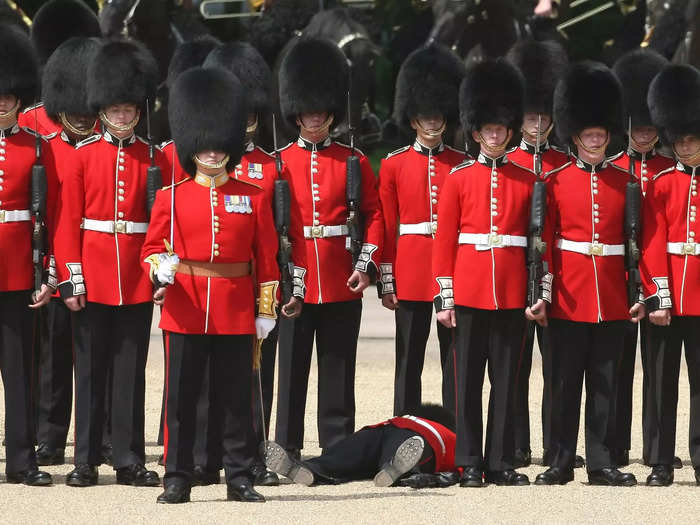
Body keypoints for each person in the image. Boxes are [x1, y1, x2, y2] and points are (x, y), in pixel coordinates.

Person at [142, 65, 279, 504]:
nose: (214, 154)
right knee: (180, 400)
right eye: (206, 147)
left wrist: (265, 309)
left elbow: (267, 258)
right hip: (185, 307)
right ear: (192, 147)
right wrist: (159, 268)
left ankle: (239, 476)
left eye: (221, 147)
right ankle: (177, 476)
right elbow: (151, 249)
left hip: (236, 308)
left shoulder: (253, 196)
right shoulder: (172, 195)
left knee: (237, 399)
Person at [54, 39, 162, 488]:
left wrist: (161, 272)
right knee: (90, 370)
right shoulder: (83, 157)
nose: (121, 116)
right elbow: (67, 226)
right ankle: (84, 461)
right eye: (114, 109)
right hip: (93, 277)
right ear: (102, 110)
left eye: (128, 109)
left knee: (130, 372)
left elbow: (161, 223)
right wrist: (72, 279)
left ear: (138, 110)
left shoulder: (152, 158)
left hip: (136, 278)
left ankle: (128, 459)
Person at [529, 61, 643, 486]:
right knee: (563, 383)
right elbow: (544, 244)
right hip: (569, 295)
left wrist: (641, 291)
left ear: (608, 135)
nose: (595, 140)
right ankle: (559, 460)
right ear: (575, 136)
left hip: (612, 294)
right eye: (588, 134)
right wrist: (543, 291)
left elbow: (638, 244)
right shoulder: (555, 181)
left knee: (605, 384)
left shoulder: (626, 181)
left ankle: (600, 461)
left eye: (600, 134)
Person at [201, 41, 308, 486]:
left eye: (248, 116)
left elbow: (282, 237)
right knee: (208, 377)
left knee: (256, 378)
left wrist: (281, 288)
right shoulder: (200, 167)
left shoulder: (272, 166)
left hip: (255, 287)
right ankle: (205, 459)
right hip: (214, 286)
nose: (243, 125)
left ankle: (251, 459)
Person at [274, 37, 384, 458]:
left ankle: (337, 449)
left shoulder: (352, 160)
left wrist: (366, 264)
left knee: (338, 370)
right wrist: (281, 277)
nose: (315, 118)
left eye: (321, 111)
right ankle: (286, 448)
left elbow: (374, 216)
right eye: (308, 111)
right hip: (296, 279)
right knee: (292, 372)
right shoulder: (279, 162)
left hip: (341, 278)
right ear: (296, 113)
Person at [433, 58, 533, 487]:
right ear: (476, 133)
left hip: (510, 292)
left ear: (509, 133)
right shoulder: (457, 179)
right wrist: (445, 296)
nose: (495, 136)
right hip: (470, 291)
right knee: (467, 381)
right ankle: (470, 459)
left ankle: (500, 459)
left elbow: (535, 243)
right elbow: (445, 240)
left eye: (501, 130)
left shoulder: (527, 180)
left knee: (507, 381)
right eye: (488, 130)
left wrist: (534, 292)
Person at [377, 44, 465, 418]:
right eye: (424, 116)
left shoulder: (461, 164)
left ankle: (458, 433)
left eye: (437, 115)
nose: (431, 122)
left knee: (456, 360)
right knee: (408, 358)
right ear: (412, 119)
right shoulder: (394, 165)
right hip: (411, 268)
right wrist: (386, 277)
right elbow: (386, 223)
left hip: (454, 270)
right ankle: (403, 428)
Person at [30, 35, 102, 467]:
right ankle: (51, 434)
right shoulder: (40, 128)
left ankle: (104, 434)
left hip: (96, 254)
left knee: (98, 352)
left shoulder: (107, 126)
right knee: (53, 351)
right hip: (49, 255)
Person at [155, 34, 222, 476]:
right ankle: (174, 450)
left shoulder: (225, 160)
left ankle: (212, 451)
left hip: (220, 284)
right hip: (180, 281)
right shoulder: (165, 156)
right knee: (178, 376)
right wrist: (160, 271)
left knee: (221, 377)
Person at [505, 38, 569, 468]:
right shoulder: (506, 161)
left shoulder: (564, 163)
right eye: (530, 115)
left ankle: (556, 445)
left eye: (544, 116)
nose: (537, 122)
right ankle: (517, 444)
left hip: (556, 277)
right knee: (516, 367)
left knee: (558, 370)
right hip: (513, 274)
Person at [610, 48, 675, 469]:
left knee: (658, 370)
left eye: (652, 128)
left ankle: (656, 450)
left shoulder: (670, 168)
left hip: (659, 279)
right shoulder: (613, 167)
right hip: (617, 276)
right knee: (616, 368)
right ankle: (615, 448)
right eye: (639, 128)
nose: (645, 135)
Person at [641, 63, 700, 487]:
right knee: (661, 384)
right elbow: (652, 244)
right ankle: (661, 460)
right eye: (678, 140)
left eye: (691, 138)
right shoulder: (660, 184)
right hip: (668, 298)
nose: (684, 146)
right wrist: (659, 296)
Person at [0, 23, 53, 487]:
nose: (1, 102)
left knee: (19, 372)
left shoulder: (36, 146)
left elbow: (50, 216)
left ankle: (22, 460)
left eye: (8, 95)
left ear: (19, 97)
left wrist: (47, 274)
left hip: (19, 270)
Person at [265, 404, 457, 487]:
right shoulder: (448, 434)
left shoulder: (402, 419)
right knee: (399, 457)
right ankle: (394, 470)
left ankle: (309, 468)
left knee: (341, 459)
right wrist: (435, 479)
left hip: (379, 430)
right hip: (414, 438)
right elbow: (461, 468)